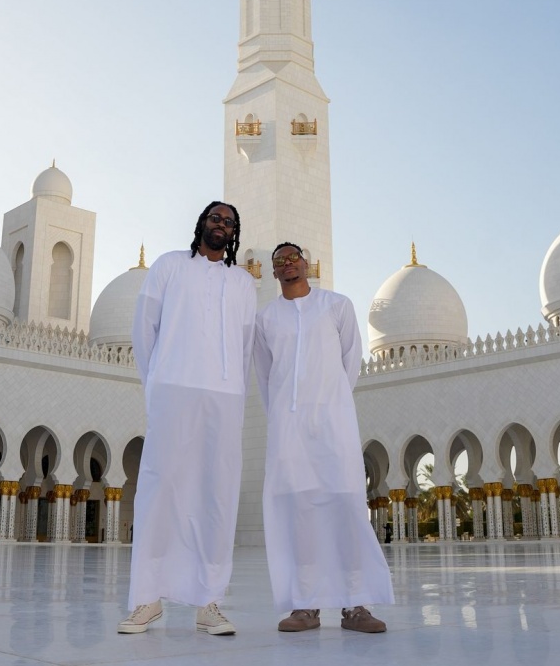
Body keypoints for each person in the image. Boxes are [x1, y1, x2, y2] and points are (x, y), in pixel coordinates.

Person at [117, 202, 257, 636]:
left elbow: (246, 343)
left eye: (229, 222)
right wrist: (156, 383)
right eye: (215, 218)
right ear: (201, 224)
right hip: (173, 390)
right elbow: (145, 331)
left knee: (217, 492)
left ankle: (208, 601)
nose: (221, 226)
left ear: (234, 233)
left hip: (225, 396)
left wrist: (234, 388)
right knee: (161, 487)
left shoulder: (242, 283)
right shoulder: (169, 267)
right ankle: (147, 599)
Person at [254, 243, 395, 633]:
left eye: (293, 258)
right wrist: (286, 413)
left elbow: (350, 362)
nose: (288, 265)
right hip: (289, 427)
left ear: (307, 264)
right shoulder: (266, 318)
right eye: (279, 261)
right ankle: (305, 605)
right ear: (273, 272)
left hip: (334, 422)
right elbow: (266, 376)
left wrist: (329, 404)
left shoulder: (337, 306)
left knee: (346, 504)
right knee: (298, 510)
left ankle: (356, 605)